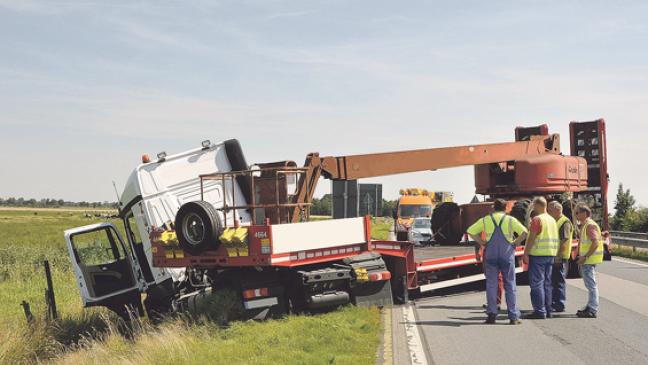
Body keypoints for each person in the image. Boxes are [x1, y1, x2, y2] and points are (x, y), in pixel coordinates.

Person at [467, 199, 528, 325]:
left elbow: (470, 231)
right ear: (506, 208)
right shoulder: (510, 220)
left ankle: (491, 314)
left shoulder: (486, 220)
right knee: (510, 284)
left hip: (491, 254)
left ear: (494, 208)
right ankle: (513, 316)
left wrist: (482, 242)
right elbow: (524, 232)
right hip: (507, 255)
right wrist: (515, 243)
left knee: (491, 284)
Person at [522, 197, 559, 319]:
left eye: (533, 204)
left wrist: (526, 253)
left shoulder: (537, 219)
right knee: (547, 283)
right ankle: (548, 310)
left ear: (538, 205)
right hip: (550, 254)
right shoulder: (552, 220)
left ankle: (539, 311)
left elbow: (532, 238)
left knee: (537, 284)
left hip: (538, 254)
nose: (532, 207)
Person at [575, 204, 604, 318]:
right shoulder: (586, 225)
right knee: (590, 285)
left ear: (584, 213)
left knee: (591, 285)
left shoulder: (590, 225)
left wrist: (585, 256)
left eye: (577, 213)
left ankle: (592, 309)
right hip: (588, 260)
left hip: (589, 260)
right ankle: (590, 306)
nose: (576, 215)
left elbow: (595, 242)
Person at [547, 201, 573, 313]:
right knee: (554, 281)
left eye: (550, 210)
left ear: (557, 210)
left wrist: (558, 255)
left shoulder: (564, 222)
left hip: (560, 256)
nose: (548, 212)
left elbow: (564, 240)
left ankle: (560, 304)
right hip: (556, 255)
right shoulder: (556, 221)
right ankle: (555, 303)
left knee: (559, 281)